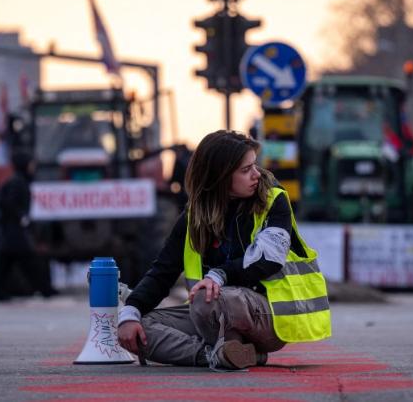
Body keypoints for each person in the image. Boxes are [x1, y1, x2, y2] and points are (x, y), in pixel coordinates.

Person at [117, 130, 331, 371]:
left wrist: (218, 275)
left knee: (206, 299)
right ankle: (218, 355)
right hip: (211, 314)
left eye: (254, 165)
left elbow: (268, 258)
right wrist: (130, 313)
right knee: (139, 330)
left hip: (268, 317)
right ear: (218, 177)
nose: (256, 174)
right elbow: (162, 272)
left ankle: (230, 349)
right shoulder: (192, 218)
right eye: (245, 170)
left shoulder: (273, 201)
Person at [0, 150, 57, 302]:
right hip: (14, 230)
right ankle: (45, 289)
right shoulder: (17, 182)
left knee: (6, 262)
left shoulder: (18, 181)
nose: (33, 167)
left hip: (12, 231)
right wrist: (21, 217)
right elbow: (9, 204)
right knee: (29, 260)